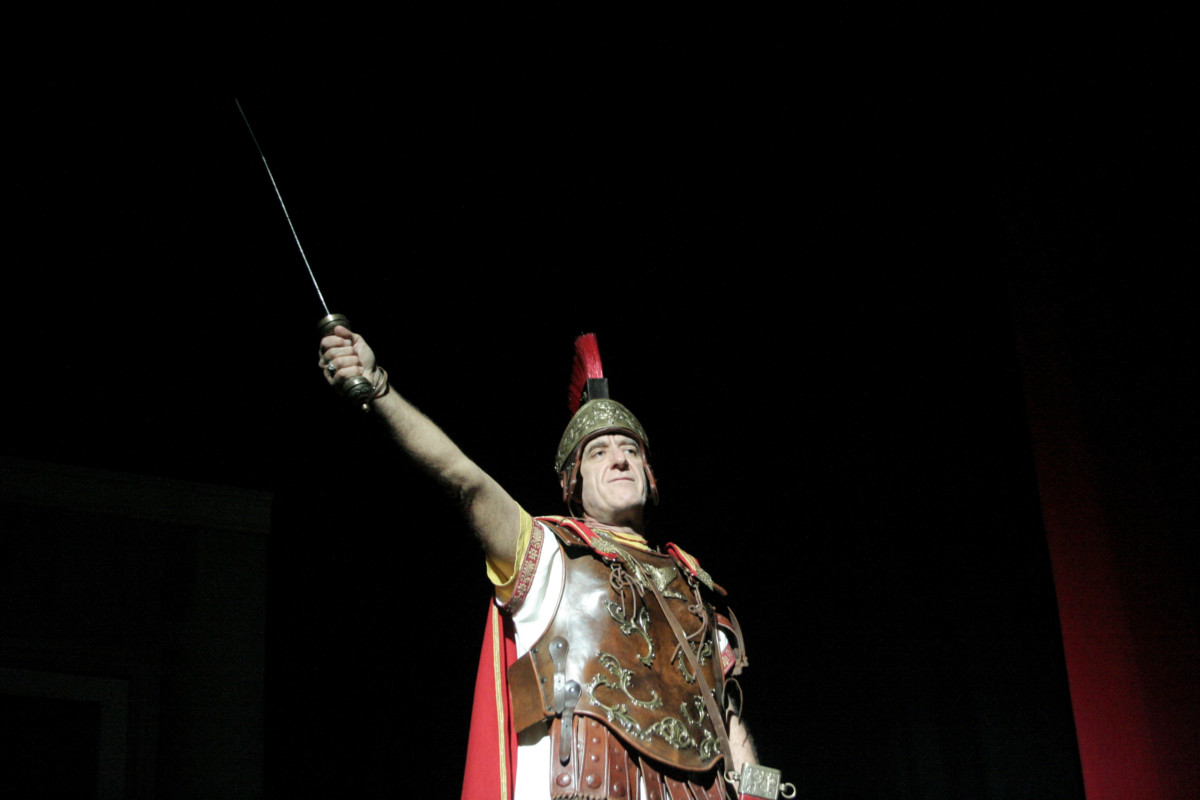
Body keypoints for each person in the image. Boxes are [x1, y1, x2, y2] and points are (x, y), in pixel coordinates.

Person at [319, 325, 757, 799]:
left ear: (650, 477)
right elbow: (464, 479)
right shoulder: (549, 553)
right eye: (599, 452)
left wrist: (762, 792)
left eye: (631, 450)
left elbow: (730, 728)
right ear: (573, 484)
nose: (620, 460)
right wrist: (379, 388)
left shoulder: (693, 585)